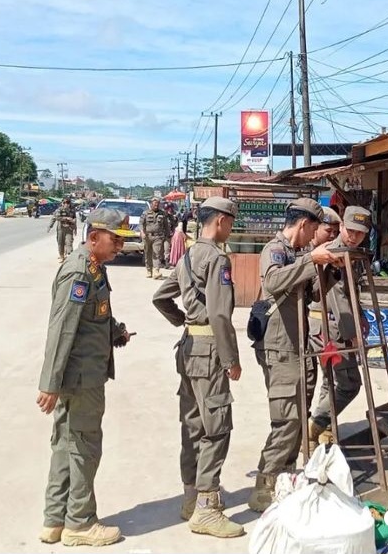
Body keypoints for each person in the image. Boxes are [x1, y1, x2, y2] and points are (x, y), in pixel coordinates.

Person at [36, 208, 133, 547]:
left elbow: (93, 318)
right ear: (94, 238)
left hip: (79, 375)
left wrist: (114, 332)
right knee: (85, 447)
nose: (119, 245)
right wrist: (49, 383)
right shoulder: (79, 273)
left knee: (65, 443)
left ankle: (55, 519)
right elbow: (62, 329)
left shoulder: (94, 270)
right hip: (81, 378)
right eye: (115, 239)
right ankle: (80, 522)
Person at [152, 197, 244, 539]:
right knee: (216, 426)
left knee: (192, 424)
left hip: (188, 347)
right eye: (230, 222)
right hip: (208, 351)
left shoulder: (189, 255)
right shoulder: (217, 256)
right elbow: (220, 314)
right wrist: (230, 358)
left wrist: (184, 321)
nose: (230, 228)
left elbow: (160, 296)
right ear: (219, 221)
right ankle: (207, 507)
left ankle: (190, 497)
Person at [248, 198, 341, 513]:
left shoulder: (299, 254)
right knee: (287, 419)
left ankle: (283, 480)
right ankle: (265, 484)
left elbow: (314, 293)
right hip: (278, 345)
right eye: (314, 229)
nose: (315, 235)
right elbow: (274, 282)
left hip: (296, 344)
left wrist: (329, 269)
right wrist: (309, 260)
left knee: (299, 416)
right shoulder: (275, 250)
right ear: (303, 225)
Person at [309, 207, 371, 449]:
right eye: (351, 231)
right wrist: (352, 333)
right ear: (342, 227)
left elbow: (351, 293)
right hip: (330, 329)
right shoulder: (334, 254)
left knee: (331, 381)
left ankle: (323, 429)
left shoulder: (349, 253)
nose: (354, 237)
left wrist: (362, 317)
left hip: (330, 326)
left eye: (360, 233)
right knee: (349, 383)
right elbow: (338, 298)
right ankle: (317, 424)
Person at [303, 208, 342, 425]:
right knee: (308, 379)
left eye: (336, 232)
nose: (332, 237)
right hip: (313, 325)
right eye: (329, 231)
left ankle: (320, 425)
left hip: (326, 327)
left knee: (329, 378)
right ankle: (307, 426)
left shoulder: (331, 254)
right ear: (315, 228)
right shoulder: (304, 254)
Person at [140, 198, 172, 279]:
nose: (156, 206)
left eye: (157, 204)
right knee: (148, 253)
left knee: (156, 254)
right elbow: (141, 224)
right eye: (154, 204)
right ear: (151, 204)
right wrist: (142, 232)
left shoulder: (162, 213)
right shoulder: (145, 213)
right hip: (147, 236)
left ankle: (156, 270)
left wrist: (168, 235)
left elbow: (166, 225)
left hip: (158, 237)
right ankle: (149, 270)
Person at [48, 198, 77, 262]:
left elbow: (75, 220)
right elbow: (56, 218)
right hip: (61, 229)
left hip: (69, 229)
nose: (66, 204)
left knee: (69, 242)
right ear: (62, 203)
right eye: (64, 203)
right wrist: (50, 226)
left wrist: (75, 228)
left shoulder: (72, 211)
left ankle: (69, 255)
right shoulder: (59, 210)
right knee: (60, 243)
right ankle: (62, 256)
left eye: (68, 203)